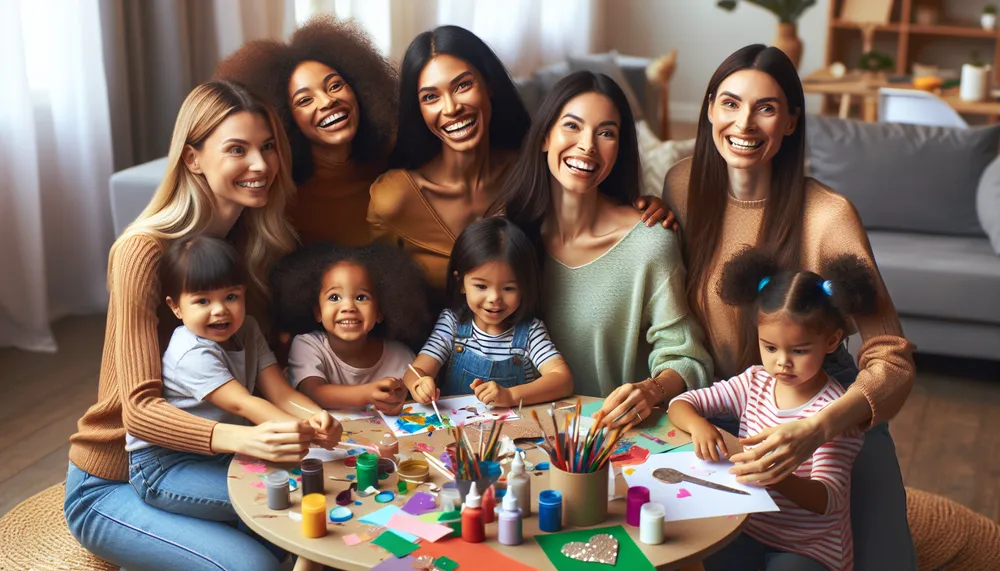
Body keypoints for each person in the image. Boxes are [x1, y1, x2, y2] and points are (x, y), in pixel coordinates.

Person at [661, 44, 917, 569]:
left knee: (876, 558)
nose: (744, 123)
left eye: (767, 108)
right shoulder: (681, 185)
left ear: (792, 121)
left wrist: (819, 429)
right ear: (709, 108)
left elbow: (891, 357)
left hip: (826, 407)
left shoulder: (828, 216)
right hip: (732, 400)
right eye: (730, 103)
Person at [64, 81, 311, 571]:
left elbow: (262, 372)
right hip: (115, 482)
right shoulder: (142, 252)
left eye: (267, 148)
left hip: (208, 465)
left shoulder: (245, 246)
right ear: (194, 158)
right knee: (254, 566)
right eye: (237, 149)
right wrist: (244, 438)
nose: (260, 165)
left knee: (310, 523)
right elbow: (138, 411)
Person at [368, 25, 669, 301]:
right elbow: (383, 299)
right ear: (418, 109)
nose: (451, 108)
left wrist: (646, 209)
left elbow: (595, 213)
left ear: (489, 86)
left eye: (462, 86)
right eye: (431, 97)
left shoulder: (532, 170)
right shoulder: (394, 198)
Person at [494, 71, 712, 421]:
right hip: (513, 436)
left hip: (611, 442)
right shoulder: (510, 238)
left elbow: (688, 359)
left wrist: (651, 390)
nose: (587, 145)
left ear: (619, 150)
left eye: (606, 133)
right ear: (544, 137)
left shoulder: (650, 242)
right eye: (572, 126)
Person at [670, 248, 879, 571]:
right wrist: (699, 425)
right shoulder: (754, 383)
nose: (782, 362)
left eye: (799, 350)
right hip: (745, 529)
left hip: (809, 549)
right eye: (769, 347)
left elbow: (827, 499)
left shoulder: (836, 412)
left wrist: (774, 475)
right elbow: (681, 404)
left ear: (832, 341)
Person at [127, 235, 339, 519]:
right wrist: (304, 431)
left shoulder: (248, 329)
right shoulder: (190, 351)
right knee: (278, 500)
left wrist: (317, 416)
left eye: (231, 296)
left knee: (304, 490)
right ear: (176, 307)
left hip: (227, 449)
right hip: (166, 463)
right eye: (202, 301)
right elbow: (243, 404)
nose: (220, 310)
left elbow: (281, 393)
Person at [214, 15, 397, 246]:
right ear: (285, 118)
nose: (327, 101)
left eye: (335, 86)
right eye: (304, 100)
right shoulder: (274, 196)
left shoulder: (392, 162)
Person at [403, 218, 573, 407]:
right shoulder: (452, 323)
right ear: (461, 283)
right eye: (481, 286)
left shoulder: (530, 332)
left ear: (525, 286)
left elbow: (562, 380)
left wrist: (510, 396)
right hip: (456, 429)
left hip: (512, 432)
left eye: (508, 288)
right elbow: (415, 370)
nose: (494, 298)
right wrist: (420, 384)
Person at [270, 241, 432, 415]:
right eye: (334, 297)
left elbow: (412, 383)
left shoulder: (399, 355)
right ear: (318, 312)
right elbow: (313, 392)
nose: (348, 307)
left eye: (361, 298)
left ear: (379, 311)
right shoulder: (307, 345)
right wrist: (367, 394)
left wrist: (420, 386)